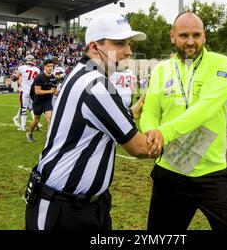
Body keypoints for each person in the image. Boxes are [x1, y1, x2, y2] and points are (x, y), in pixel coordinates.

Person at [25, 13, 163, 231]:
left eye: (127, 43)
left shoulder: (85, 73)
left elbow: (100, 119)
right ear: (93, 46)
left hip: (81, 205)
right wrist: (173, 136)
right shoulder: (97, 85)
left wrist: (133, 110)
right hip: (63, 209)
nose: (128, 51)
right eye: (118, 43)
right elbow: (140, 148)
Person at [140, 11, 227, 231]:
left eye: (196, 35)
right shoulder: (161, 70)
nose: (190, 41)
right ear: (172, 36)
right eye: (184, 35)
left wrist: (164, 133)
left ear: (204, 36)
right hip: (170, 171)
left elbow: (205, 108)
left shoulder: (221, 64)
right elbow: (150, 111)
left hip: (211, 173)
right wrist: (151, 133)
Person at [26, 59, 57, 143]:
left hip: (47, 101)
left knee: (50, 119)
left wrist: (60, 93)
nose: (50, 68)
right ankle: (29, 133)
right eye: (48, 66)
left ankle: (49, 138)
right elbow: (37, 91)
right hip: (38, 102)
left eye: (52, 66)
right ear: (44, 67)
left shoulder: (53, 78)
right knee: (36, 121)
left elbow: (54, 91)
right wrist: (49, 91)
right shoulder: (39, 77)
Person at [12, 55, 40, 131]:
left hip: (24, 91)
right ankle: (36, 123)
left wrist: (13, 77)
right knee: (32, 108)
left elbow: (15, 78)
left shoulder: (22, 68)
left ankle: (23, 126)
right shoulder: (37, 70)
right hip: (33, 92)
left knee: (24, 108)